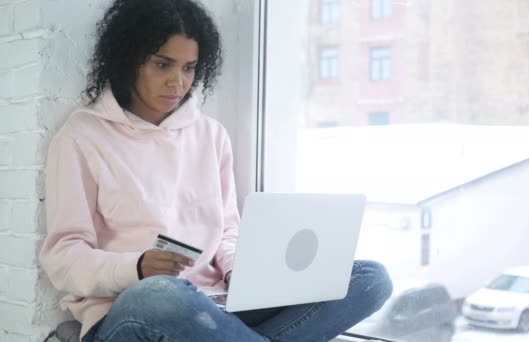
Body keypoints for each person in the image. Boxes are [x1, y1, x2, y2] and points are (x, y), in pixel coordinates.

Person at [39, 0, 393, 341]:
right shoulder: (82, 137)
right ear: (129, 60)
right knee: (161, 293)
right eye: (163, 65)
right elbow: (64, 256)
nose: (178, 82)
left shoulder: (211, 135)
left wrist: (241, 271)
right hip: (131, 309)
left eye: (188, 68)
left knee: (371, 279)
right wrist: (137, 267)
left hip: (216, 305)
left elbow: (227, 229)